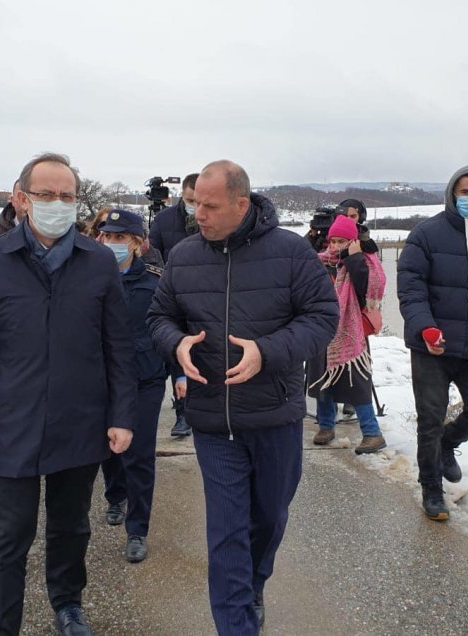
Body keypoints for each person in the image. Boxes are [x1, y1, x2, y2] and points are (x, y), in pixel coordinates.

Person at [148, 160, 338, 635]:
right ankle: (237, 623)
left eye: (209, 206)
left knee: (270, 517)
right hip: (213, 419)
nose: (199, 215)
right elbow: (158, 316)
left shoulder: (292, 253)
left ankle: (254, 585)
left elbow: (322, 318)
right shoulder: (185, 257)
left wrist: (268, 351)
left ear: (242, 203)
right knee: (227, 532)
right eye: (194, 205)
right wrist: (176, 342)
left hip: (274, 413)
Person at [0, 153, 137, 636]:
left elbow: (118, 347)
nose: (58, 204)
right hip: (10, 423)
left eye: (67, 196)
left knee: (71, 526)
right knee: (9, 537)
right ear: (21, 199)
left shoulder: (97, 261)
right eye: (46, 194)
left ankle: (67, 603)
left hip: (80, 421)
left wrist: (122, 415)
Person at [397, 164, 468, 521]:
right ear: (452, 194)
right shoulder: (426, 234)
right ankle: (431, 488)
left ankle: (448, 445)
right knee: (429, 421)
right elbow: (411, 288)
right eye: (466, 193)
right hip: (433, 348)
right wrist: (425, 329)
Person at [98, 209, 169, 564]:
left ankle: (137, 528)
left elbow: (170, 327)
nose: (111, 244)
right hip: (102, 379)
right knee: (108, 448)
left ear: (137, 244)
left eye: (119, 238)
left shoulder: (157, 282)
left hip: (145, 377)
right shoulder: (92, 277)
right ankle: (115, 497)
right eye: (107, 237)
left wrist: (180, 375)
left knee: (139, 454)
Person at [307, 215, 387, 453]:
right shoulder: (321, 261)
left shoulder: (362, 262)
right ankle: (326, 426)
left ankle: (372, 432)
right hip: (321, 328)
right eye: (334, 240)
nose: (337, 245)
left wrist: (353, 258)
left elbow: (366, 289)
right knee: (323, 380)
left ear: (353, 240)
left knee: (358, 384)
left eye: (343, 240)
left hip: (350, 333)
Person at [148, 172, 200, 438]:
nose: (195, 205)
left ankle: (195, 410)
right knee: (174, 355)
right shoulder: (164, 220)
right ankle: (182, 413)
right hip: (171, 295)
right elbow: (152, 254)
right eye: (191, 199)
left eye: (199, 200)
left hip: (204, 297)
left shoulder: (209, 218)